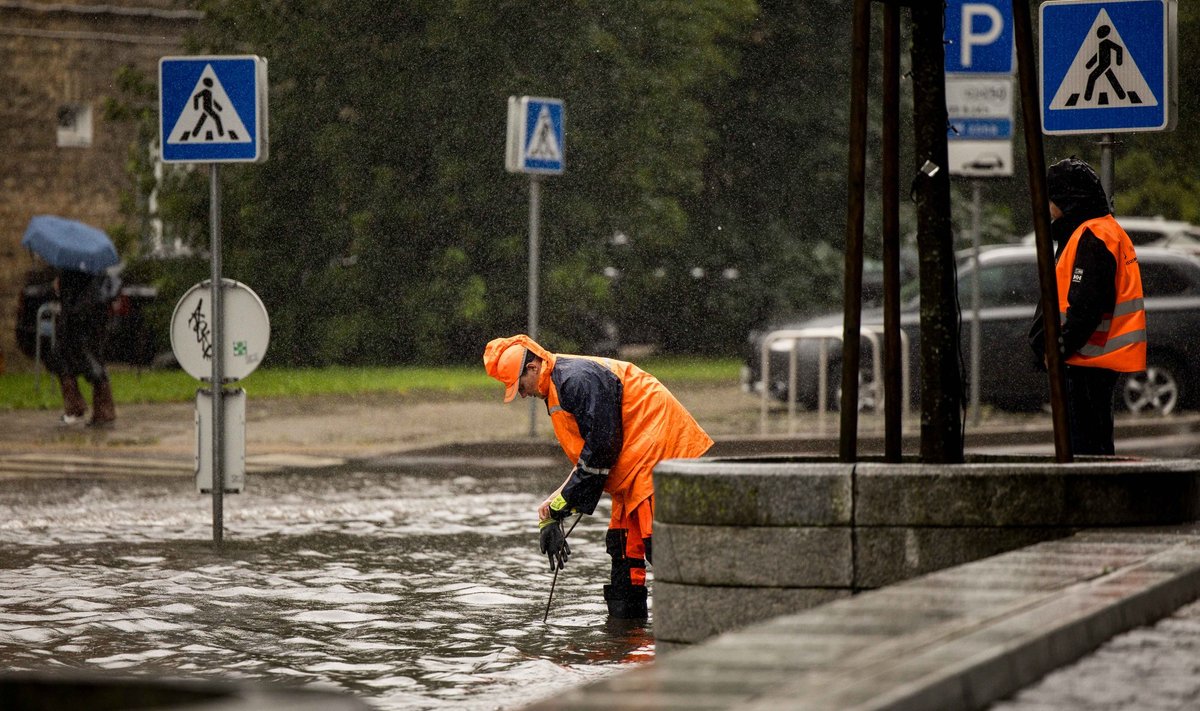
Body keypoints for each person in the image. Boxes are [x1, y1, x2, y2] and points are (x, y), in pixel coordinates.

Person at [482, 334, 713, 619]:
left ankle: (701, 627)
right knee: (622, 547)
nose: (522, 394)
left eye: (519, 386)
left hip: (655, 454)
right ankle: (630, 643)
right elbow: (591, 456)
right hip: (633, 464)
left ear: (532, 368)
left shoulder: (574, 380)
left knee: (664, 549)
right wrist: (550, 510)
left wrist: (561, 506)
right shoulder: (558, 385)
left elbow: (602, 448)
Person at [1028, 157, 1146, 455]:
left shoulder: (1093, 235)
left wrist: (1058, 349)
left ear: (1067, 199)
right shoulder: (1096, 231)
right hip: (1090, 362)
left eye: (1050, 195)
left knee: (1084, 450)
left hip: (1084, 363)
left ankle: (1090, 501)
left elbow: (1085, 307)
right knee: (1092, 445)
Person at [45, 268, 118, 427]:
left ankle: (102, 411)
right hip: (76, 318)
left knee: (91, 363)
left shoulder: (86, 267)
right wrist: (59, 287)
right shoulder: (76, 265)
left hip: (84, 320)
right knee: (60, 359)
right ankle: (76, 407)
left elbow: (89, 294)